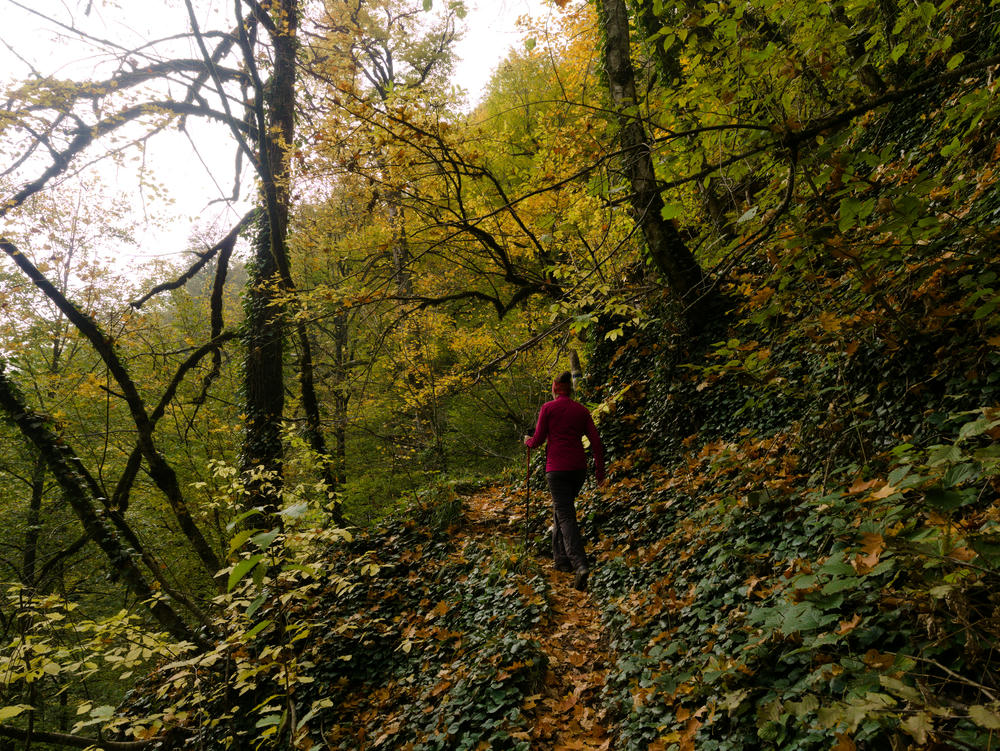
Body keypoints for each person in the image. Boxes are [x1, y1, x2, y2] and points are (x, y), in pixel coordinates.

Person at [524, 371, 605, 592]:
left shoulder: (548, 409)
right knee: (561, 511)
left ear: (554, 387)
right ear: (570, 388)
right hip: (578, 470)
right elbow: (596, 442)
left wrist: (528, 442)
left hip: (557, 469)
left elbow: (538, 440)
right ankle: (560, 560)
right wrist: (600, 472)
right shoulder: (581, 410)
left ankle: (580, 565)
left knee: (566, 514)